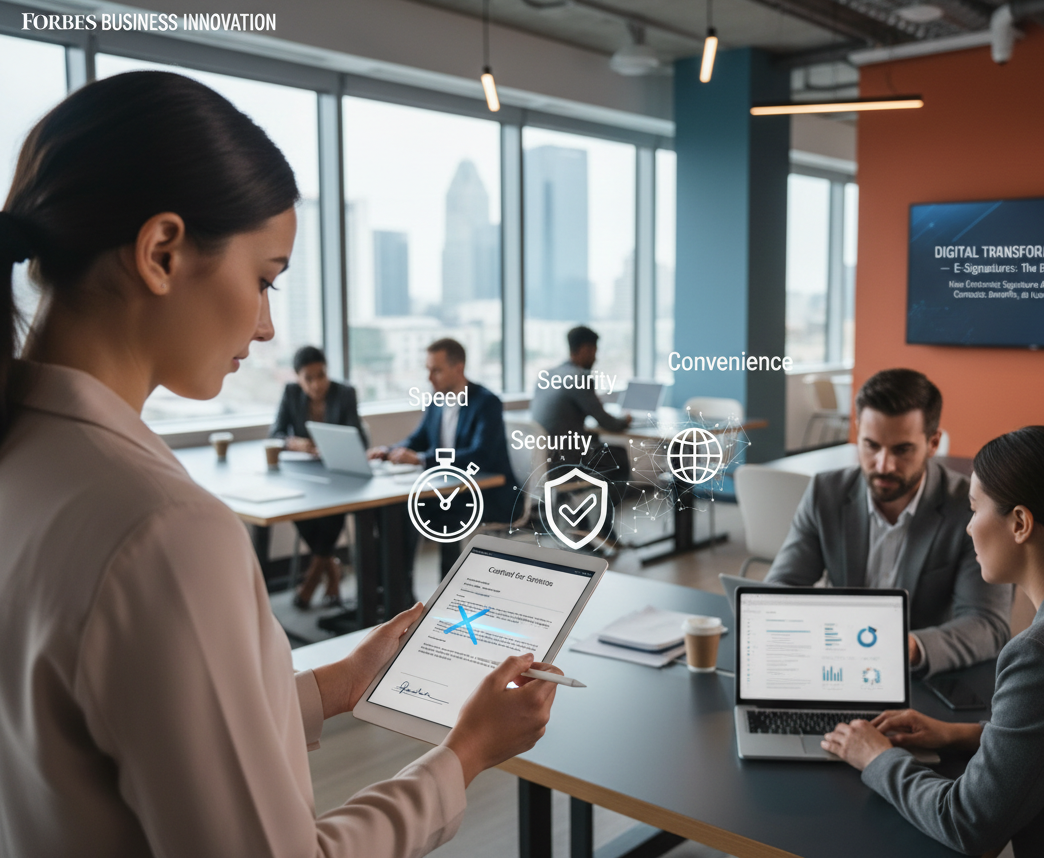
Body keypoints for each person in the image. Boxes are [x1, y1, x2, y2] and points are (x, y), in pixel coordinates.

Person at [0, 71, 560, 858]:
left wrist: (331, 688)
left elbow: (113, 742)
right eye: (264, 280)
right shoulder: (165, 532)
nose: (266, 328)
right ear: (162, 252)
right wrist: (464, 753)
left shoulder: (23, 459)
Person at [821, 426, 1044, 856]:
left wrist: (877, 757)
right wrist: (961, 735)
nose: (968, 527)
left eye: (973, 509)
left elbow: (968, 825)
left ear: (1019, 523)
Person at [766, 368, 1010, 676]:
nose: (883, 464)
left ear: (933, 443)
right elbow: (781, 588)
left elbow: (988, 624)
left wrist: (907, 647)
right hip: (838, 668)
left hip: (925, 680)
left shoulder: (967, 509)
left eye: (902, 449)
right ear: (858, 432)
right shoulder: (825, 493)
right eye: (871, 445)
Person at [371, 338, 517, 574]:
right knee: (400, 510)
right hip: (448, 489)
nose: (430, 378)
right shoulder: (437, 400)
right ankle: (399, 594)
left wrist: (422, 459)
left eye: (436, 371)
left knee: (444, 515)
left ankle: (445, 592)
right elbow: (417, 439)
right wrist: (389, 451)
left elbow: (479, 455)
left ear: (458, 368)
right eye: (428, 371)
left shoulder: (487, 403)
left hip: (486, 494)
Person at [270, 344, 367, 609]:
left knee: (334, 510)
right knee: (294, 508)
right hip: (304, 475)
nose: (316, 384)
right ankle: (331, 569)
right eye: (308, 378)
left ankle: (312, 578)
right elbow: (275, 434)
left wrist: (332, 445)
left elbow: (360, 438)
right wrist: (294, 443)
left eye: (321, 375)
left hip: (339, 473)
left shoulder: (344, 393)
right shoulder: (291, 394)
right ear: (298, 378)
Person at [529, 325, 632, 515]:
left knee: (598, 447)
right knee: (620, 457)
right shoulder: (580, 377)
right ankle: (602, 525)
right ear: (586, 349)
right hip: (565, 463)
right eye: (594, 352)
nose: (596, 358)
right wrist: (624, 421)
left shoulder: (548, 374)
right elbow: (606, 422)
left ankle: (579, 517)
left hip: (540, 461)